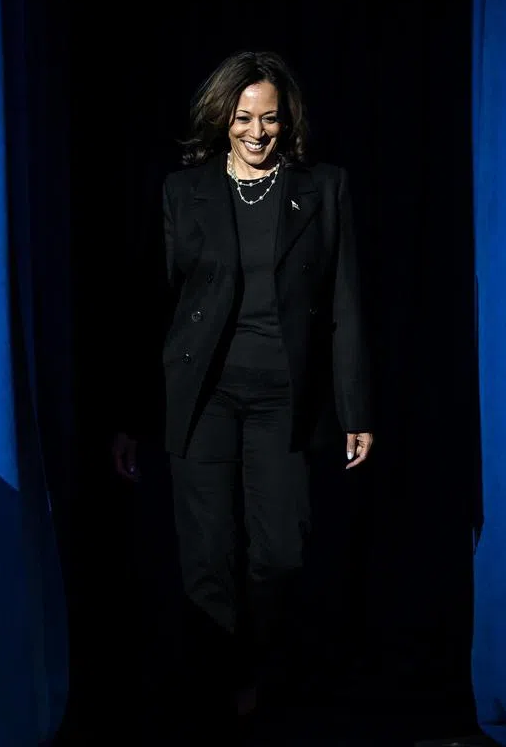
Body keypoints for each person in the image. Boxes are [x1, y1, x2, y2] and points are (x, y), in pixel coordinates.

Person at [110, 49, 374, 739]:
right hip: (201, 398)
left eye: (271, 120)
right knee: (206, 560)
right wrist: (133, 418)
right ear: (222, 117)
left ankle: (253, 667)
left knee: (279, 552)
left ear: (288, 122)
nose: (258, 132)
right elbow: (153, 311)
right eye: (245, 118)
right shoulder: (183, 191)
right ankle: (219, 691)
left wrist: (356, 408)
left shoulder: (324, 189)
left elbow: (345, 304)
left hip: (285, 398)